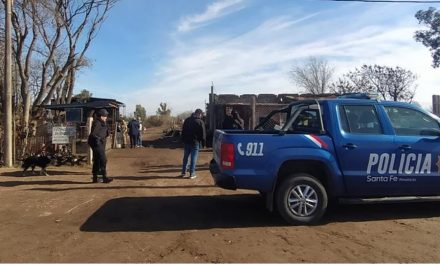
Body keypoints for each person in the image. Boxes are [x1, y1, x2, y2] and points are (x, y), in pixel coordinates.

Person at [88, 109, 113, 183]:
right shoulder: (97, 123)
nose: (106, 117)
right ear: (101, 116)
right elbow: (93, 134)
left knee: (97, 160)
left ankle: (95, 178)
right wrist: (98, 140)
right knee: (103, 159)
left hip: (99, 143)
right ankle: (104, 177)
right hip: (96, 143)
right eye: (105, 116)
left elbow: (106, 132)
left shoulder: (103, 123)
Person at [180, 108, 206, 179]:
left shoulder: (187, 120)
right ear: (199, 114)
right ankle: (192, 174)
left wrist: (183, 140)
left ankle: (183, 172)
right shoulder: (200, 122)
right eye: (201, 115)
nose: (201, 116)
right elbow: (203, 135)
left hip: (186, 142)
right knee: (193, 158)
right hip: (195, 143)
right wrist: (203, 144)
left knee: (185, 157)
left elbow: (183, 131)